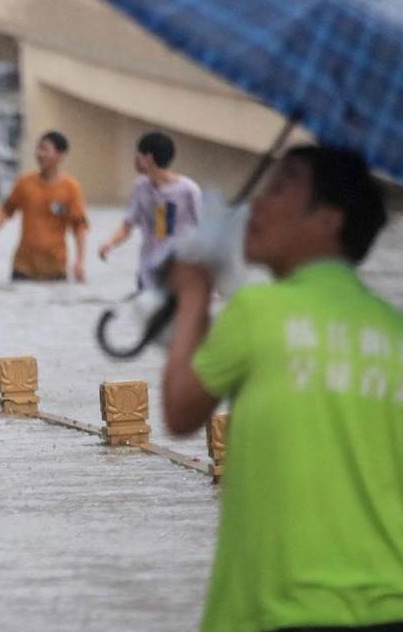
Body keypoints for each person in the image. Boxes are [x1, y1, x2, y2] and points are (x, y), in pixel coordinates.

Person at [162, 146, 403, 631]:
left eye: (281, 186)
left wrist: (192, 295)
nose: (257, 205)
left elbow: (180, 409)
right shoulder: (394, 332)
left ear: (329, 220)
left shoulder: (258, 312)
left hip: (282, 610)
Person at [0, 131, 89, 282]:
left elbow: (79, 226)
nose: (40, 154)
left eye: (45, 150)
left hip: (55, 269)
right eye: (38, 149)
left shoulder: (71, 189)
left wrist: (80, 261)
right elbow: (5, 211)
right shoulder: (25, 183)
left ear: (60, 155)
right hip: (23, 268)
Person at [99, 132, 202, 289]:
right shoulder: (140, 188)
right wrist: (110, 243)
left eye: (138, 155)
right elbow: (127, 225)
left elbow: (206, 232)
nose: (135, 159)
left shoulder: (188, 191)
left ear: (148, 158)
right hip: (148, 273)